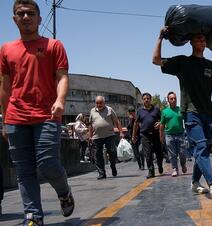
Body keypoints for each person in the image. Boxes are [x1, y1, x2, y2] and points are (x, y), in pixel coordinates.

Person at [0, 1, 74, 225]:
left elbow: (62, 77)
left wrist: (60, 100)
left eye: (30, 13)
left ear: (39, 19)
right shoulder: (6, 49)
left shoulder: (53, 46)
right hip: (16, 118)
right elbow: (5, 86)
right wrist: (5, 119)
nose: (25, 17)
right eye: (20, 14)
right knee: (24, 170)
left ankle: (64, 192)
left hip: (47, 115)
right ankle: (33, 216)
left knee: (48, 164)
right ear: (14, 19)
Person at [152, 27, 212, 199]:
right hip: (190, 113)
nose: (202, 42)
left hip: (208, 114)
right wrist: (160, 38)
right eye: (198, 39)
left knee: (201, 150)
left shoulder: (211, 66)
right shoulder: (183, 62)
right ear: (191, 42)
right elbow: (156, 60)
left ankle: (195, 182)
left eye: (204, 40)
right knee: (202, 147)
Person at [89, 96, 123, 180]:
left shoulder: (110, 110)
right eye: (97, 103)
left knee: (112, 152)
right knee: (98, 155)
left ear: (104, 103)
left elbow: (116, 121)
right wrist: (90, 136)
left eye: (100, 103)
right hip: (97, 136)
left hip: (109, 135)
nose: (98, 104)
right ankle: (101, 173)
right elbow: (90, 124)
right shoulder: (92, 111)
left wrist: (121, 132)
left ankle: (113, 165)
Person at [133, 93, 163, 179]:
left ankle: (160, 165)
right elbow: (136, 124)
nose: (146, 100)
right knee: (148, 154)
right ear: (142, 100)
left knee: (159, 153)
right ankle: (151, 171)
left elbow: (162, 120)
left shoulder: (156, 109)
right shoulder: (139, 111)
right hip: (145, 135)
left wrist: (160, 123)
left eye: (148, 98)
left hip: (156, 135)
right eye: (145, 99)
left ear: (151, 99)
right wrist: (133, 136)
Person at [160, 92, 187, 177]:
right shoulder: (164, 112)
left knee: (182, 153)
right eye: (171, 98)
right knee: (172, 154)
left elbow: (186, 120)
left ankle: (183, 165)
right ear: (168, 100)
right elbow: (162, 125)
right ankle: (175, 169)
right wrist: (161, 136)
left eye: (175, 98)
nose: (174, 100)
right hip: (169, 135)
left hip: (180, 134)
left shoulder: (180, 109)